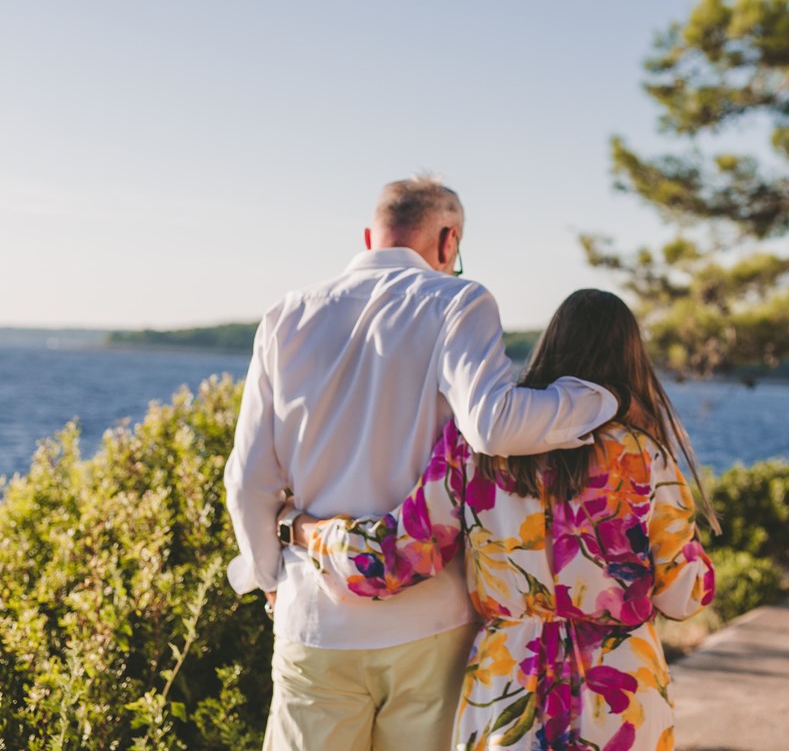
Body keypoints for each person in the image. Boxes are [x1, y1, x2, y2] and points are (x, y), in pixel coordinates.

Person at [224, 177, 618, 751]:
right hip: (429, 620)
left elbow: (248, 479)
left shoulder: (285, 315)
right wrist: (601, 399)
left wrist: (270, 582)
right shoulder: (458, 300)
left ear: (370, 235)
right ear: (448, 239)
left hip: (315, 618)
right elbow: (494, 425)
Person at [285, 289, 718, 751]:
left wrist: (304, 531)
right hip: (622, 694)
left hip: (507, 685)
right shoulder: (645, 454)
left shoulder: (475, 447)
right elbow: (683, 595)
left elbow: (398, 558)